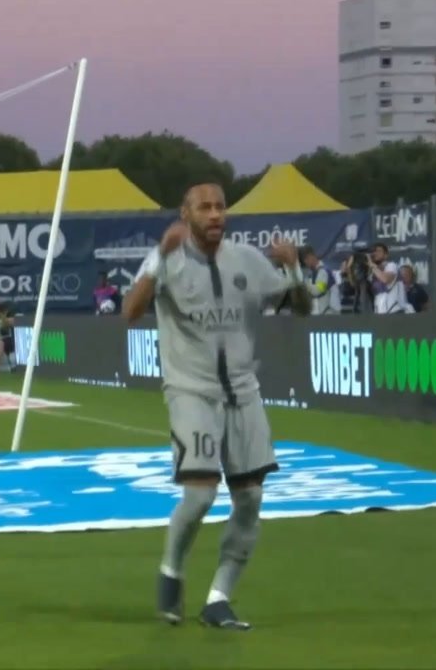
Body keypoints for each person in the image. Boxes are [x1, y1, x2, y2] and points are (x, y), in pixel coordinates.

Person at [121, 182, 310, 630]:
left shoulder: (246, 260)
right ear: (185, 215)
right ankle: (171, 570)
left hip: (244, 392)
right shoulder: (167, 261)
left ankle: (219, 599)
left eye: (220, 206)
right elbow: (129, 312)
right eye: (204, 207)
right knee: (201, 494)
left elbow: (300, 308)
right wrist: (156, 257)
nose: (215, 214)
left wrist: (295, 269)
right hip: (192, 390)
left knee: (250, 499)